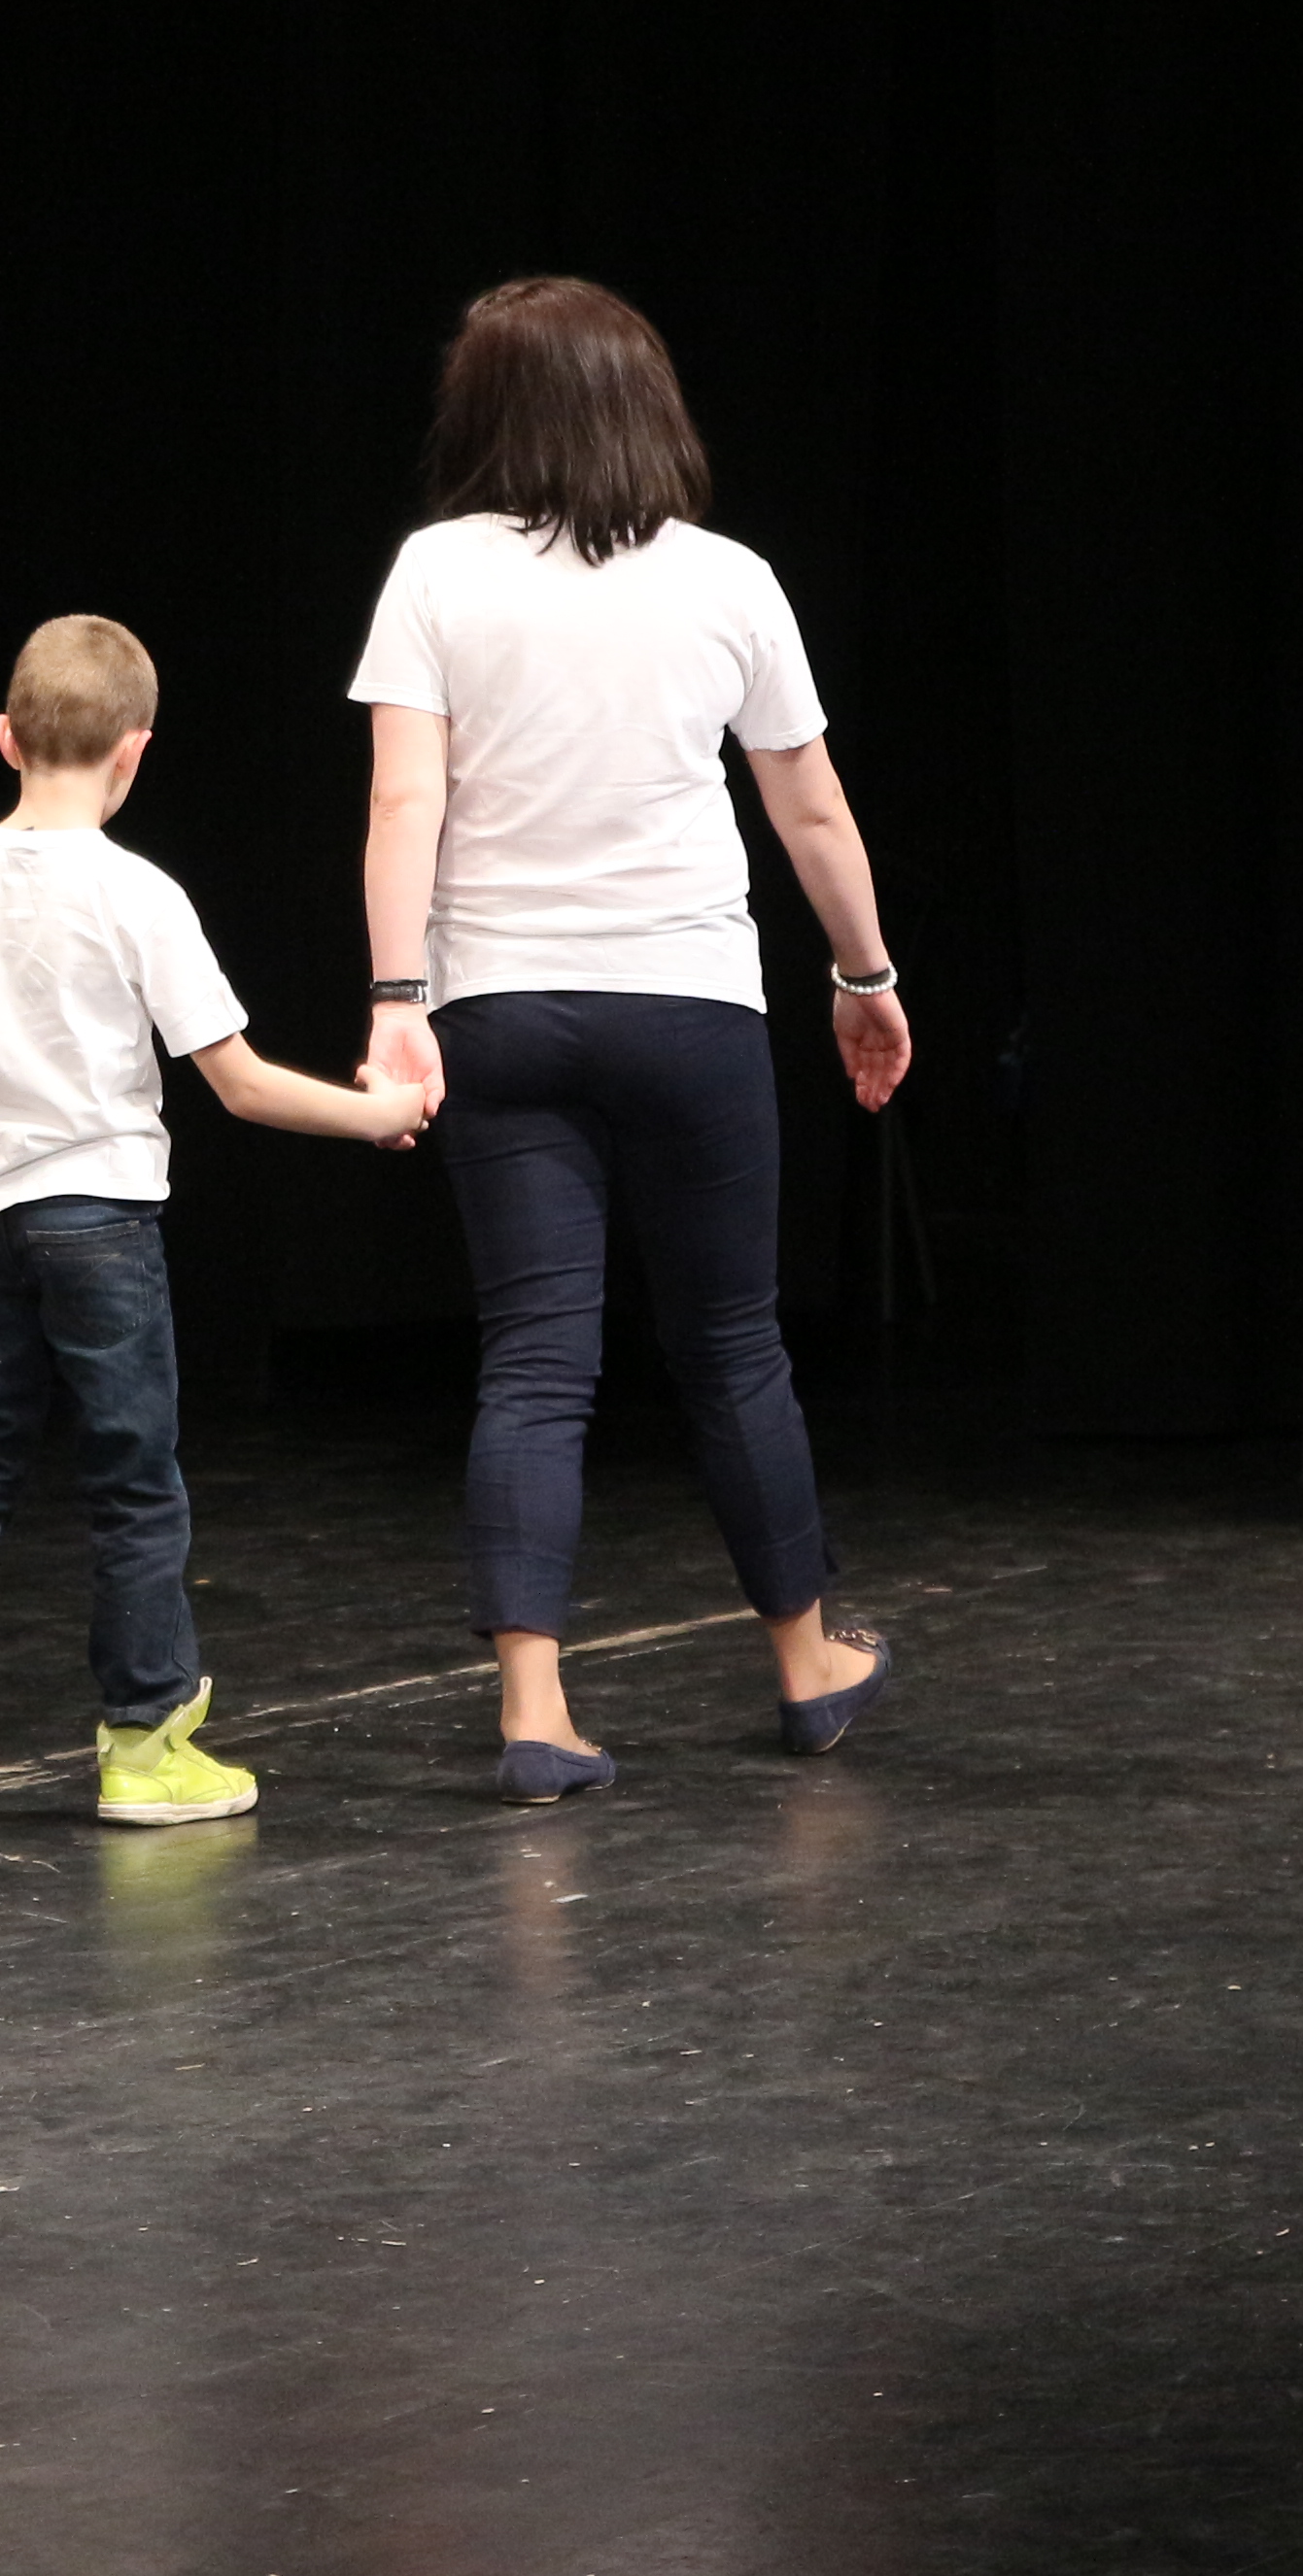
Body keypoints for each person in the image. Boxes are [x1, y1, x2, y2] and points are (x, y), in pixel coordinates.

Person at [346, 276, 913, 1806]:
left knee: (536, 1358)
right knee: (731, 1347)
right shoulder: (730, 580)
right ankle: (806, 1662)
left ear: (486, 411)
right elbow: (810, 809)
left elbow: (404, 800)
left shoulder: (437, 572)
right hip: (690, 1009)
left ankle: (535, 1709)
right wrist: (865, 972)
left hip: (501, 1008)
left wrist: (397, 1000)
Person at [0, 617, 432, 1836]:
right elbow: (239, 1083)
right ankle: (145, 1743)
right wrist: (378, 1112)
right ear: (135, 751)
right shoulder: (139, 894)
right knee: (133, 1483)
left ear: (6, 738)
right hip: (101, 1221)